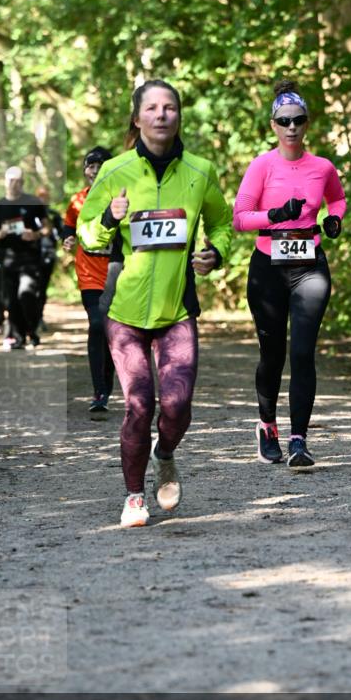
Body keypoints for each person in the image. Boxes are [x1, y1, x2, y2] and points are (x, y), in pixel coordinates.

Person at [77, 80, 233, 526]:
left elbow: (222, 222)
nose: (162, 114)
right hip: (124, 312)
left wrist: (215, 252)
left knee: (178, 403)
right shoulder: (115, 171)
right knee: (139, 404)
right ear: (137, 118)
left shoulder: (200, 171)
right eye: (152, 107)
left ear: (178, 115)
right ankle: (133, 497)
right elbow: (88, 235)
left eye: (170, 107)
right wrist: (110, 216)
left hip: (177, 309)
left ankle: (165, 453)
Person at [233, 78, 347, 469]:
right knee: (273, 355)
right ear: (273, 125)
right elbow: (240, 219)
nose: (292, 127)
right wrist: (276, 216)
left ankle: (299, 440)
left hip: (309, 267)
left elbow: (338, 198)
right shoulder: (262, 166)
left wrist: (334, 220)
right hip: (268, 269)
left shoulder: (322, 167)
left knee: (302, 352)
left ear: (308, 122)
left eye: (298, 120)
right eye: (284, 121)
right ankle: (268, 426)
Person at [62, 146, 116, 417]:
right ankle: (99, 391)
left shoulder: (121, 197)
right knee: (97, 324)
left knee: (112, 330)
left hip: (118, 272)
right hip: (89, 273)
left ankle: (107, 385)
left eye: (99, 166)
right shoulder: (76, 201)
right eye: (90, 166)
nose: (94, 171)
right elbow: (68, 227)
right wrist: (68, 239)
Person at [0, 166, 48, 350]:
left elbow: (46, 227)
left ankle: (32, 330)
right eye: (11, 180)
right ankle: (18, 338)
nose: (14, 184)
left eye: (18, 180)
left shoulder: (33, 202)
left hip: (29, 260)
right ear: (5, 181)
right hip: (6, 261)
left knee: (26, 296)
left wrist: (34, 234)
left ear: (23, 182)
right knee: (11, 300)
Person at [35, 186, 64, 330]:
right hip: (31, 256)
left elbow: (62, 233)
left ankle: (39, 317)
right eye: (40, 196)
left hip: (48, 254)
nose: (42, 199)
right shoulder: (30, 215)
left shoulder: (53, 215)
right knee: (30, 287)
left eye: (45, 197)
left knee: (42, 287)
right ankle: (28, 318)